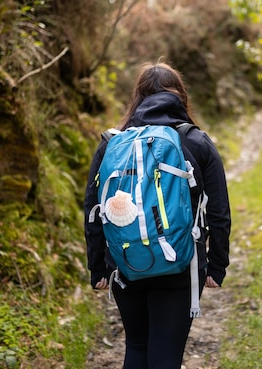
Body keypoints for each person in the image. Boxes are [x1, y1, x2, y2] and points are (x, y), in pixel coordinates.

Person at [84, 61, 231, 369]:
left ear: (137, 97)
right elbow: (218, 211)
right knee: (166, 356)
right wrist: (217, 264)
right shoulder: (196, 140)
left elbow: (94, 211)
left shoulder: (112, 144)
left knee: (136, 348)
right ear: (180, 97)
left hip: (124, 264)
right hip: (180, 265)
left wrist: (97, 267)